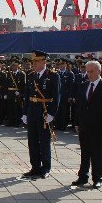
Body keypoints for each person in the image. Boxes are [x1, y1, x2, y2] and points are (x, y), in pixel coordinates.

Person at [72, 60, 102, 188]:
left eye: (91, 71)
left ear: (99, 71)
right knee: (84, 152)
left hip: (98, 125)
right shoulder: (84, 85)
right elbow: (79, 105)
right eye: (87, 71)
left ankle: (97, 178)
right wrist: (77, 122)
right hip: (84, 125)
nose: (89, 74)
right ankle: (83, 176)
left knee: (96, 153)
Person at [21, 50, 61, 179]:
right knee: (32, 141)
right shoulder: (31, 75)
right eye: (33, 62)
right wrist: (25, 113)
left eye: (36, 61)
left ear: (44, 61)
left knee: (44, 142)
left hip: (44, 111)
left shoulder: (53, 76)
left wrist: (52, 114)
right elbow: (27, 95)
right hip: (32, 111)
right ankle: (35, 167)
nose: (34, 64)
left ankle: (45, 168)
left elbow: (56, 97)